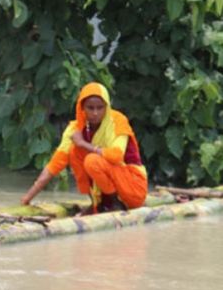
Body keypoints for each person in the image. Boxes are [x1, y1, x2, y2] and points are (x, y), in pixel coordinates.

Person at [21, 82, 147, 214]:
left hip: (133, 190)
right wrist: (27, 198)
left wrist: (84, 144)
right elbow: (53, 167)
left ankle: (114, 203)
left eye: (100, 108)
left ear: (107, 107)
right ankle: (97, 203)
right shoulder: (74, 130)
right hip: (105, 194)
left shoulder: (118, 121)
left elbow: (116, 156)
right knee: (75, 152)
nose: (95, 113)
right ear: (82, 108)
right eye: (90, 108)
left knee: (92, 160)